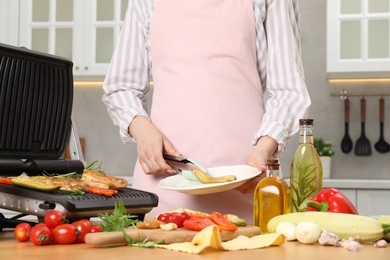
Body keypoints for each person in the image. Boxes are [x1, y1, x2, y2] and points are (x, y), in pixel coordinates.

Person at [102, 0, 311, 222]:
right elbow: (121, 86)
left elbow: (289, 91)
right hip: (165, 188)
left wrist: (264, 151)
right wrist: (142, 129)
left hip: (245, 183)